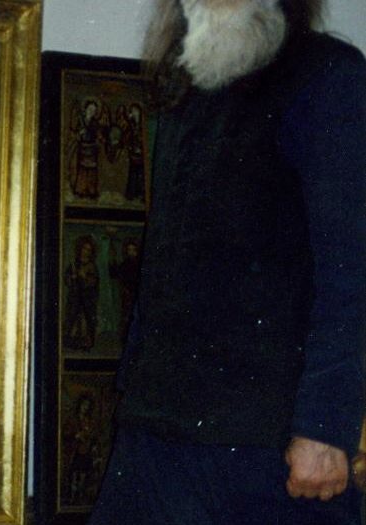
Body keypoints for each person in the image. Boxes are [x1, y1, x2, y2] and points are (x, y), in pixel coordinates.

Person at [88, 0, 366, 523]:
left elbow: (351, 271)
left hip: (272, 445)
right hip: (155, 432)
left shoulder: (328, 74)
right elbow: (163, 261)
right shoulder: (187, 87)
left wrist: (326, 426)